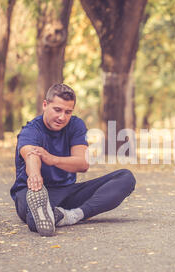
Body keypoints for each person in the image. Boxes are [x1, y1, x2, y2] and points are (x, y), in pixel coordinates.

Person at [10, 83, 136, 236]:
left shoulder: (76, 125)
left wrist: (52, 159)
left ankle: (71, 216)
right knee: (32, 215)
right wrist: (35, 175)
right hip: (33, 191)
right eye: (57, 110)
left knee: (126, 178)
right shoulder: (31, 130)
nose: (62, 117)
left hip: (67, 192)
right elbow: (31, 155)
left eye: (68, 112)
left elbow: (83, 164)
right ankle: (44, 213)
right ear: (45, 105)